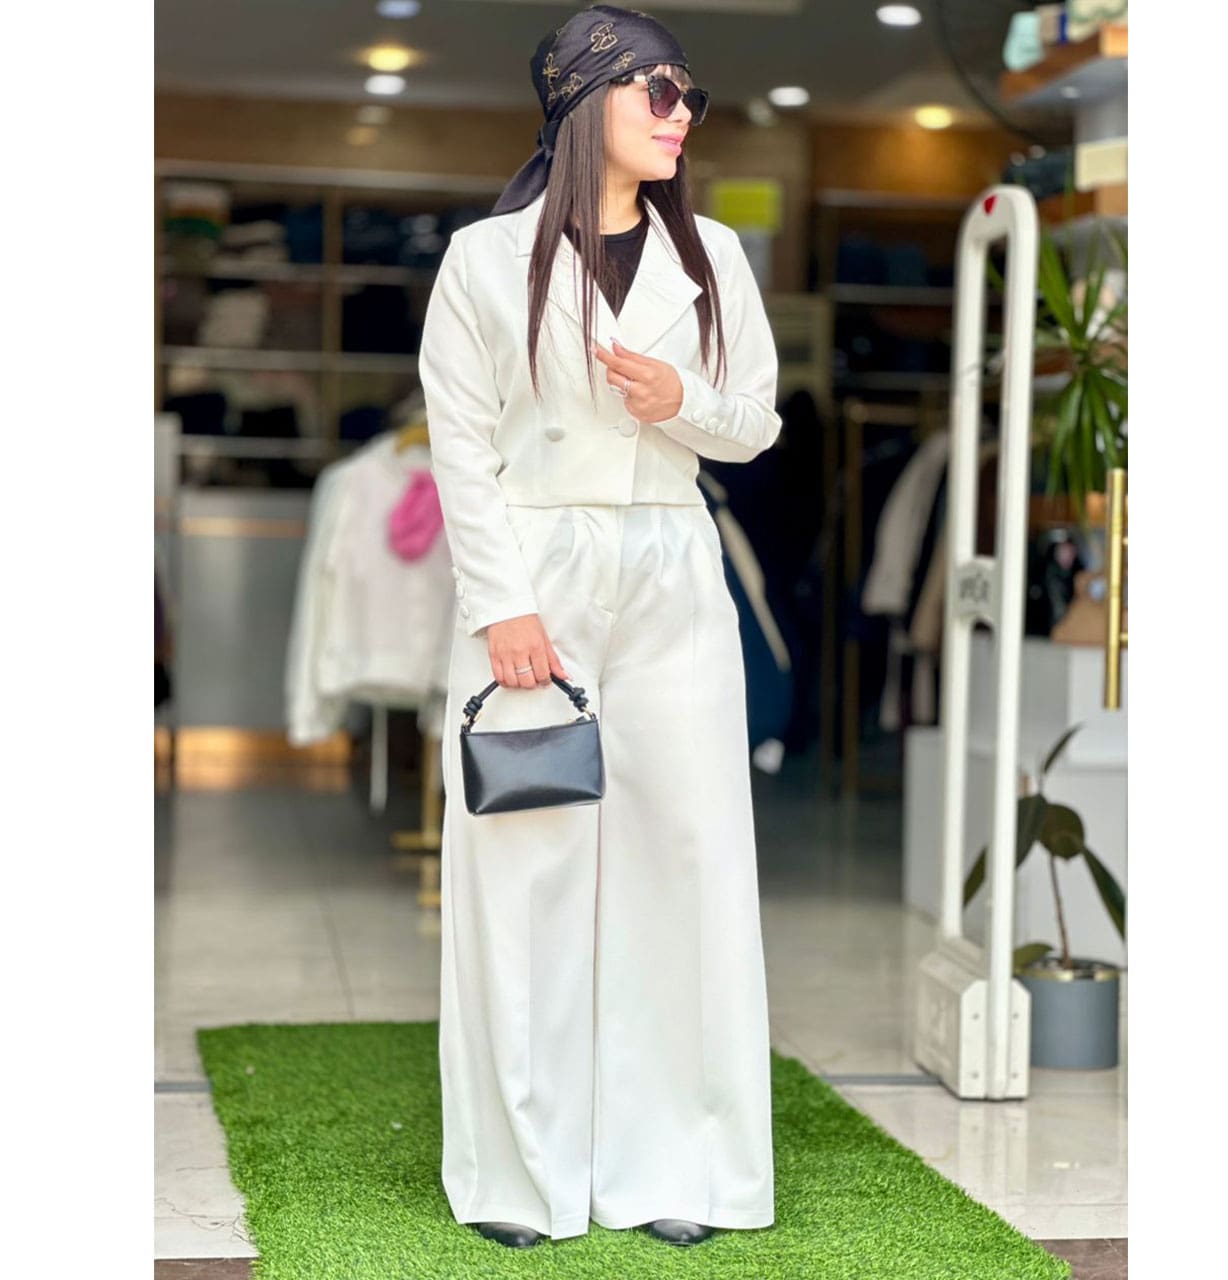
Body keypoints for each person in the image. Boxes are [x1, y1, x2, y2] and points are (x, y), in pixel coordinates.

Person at [417, 3, 781, 1251]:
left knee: (685, 856)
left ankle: (673, 1162)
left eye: (688, 95)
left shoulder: (713, 255)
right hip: (535, 573)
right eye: (657, 91)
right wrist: (501, 605)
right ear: (584, 99)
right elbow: (459, 446)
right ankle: (520, 1175)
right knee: (525, 868)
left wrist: (682, 398)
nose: (681, 115)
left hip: (674, 567)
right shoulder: (483, 260)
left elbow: (755, 424)